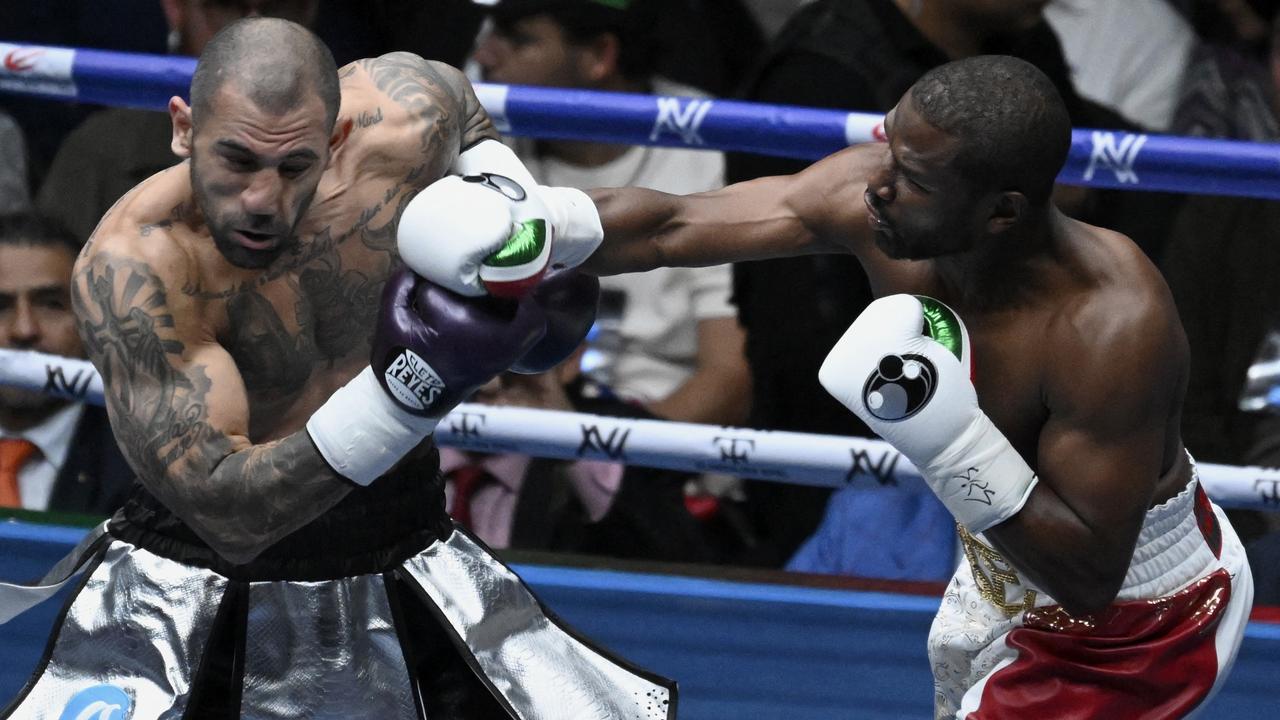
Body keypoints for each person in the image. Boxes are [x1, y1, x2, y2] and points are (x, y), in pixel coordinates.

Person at [408, 54, 1255, 716]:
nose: (877, 184)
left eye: (916, 181)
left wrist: (950, 435)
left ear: (1001, 212)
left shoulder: (1109, 322)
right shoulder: (882, 200)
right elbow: (675, 225)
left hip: (1132, 617)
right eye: (892, 146)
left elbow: (1089, 574)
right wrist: (538, 230)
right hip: (1005, 559)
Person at [0, 18, 674, 719]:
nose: (262, 196)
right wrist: (408, 394)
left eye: (293, 167)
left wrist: (505, 202)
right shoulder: (140, 262)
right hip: (197, 577)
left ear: (336, 141)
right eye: (236, 160)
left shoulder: (400, 124)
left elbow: (466, 112)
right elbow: (231, 517)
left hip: (403, 536)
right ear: (182, 130)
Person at [473, 0, 752, 427]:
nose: (484, 55)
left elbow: (729, 378)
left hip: (658, 442)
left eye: (520, 38)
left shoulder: (707, 142)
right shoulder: (482, 131)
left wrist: (604, 470)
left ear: (600, 56)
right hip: (512, 421)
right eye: (490, 31)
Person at [36, 0, 320, 241]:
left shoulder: (353, 142)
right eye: (226, 5)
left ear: (310, 10)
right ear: (175, 7)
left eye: (282, 5)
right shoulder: (101, 153)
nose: (258, 29)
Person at [445, 347, 722, 563]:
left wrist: (570, 442)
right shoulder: (408, 444)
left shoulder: (627, 442)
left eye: (513, 353)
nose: (490, 381)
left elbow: (681, 578)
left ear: (570, 359)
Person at [0, 213, 132, 517]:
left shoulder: (148, 468)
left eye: (51, 304)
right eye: (0, 306)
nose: (24, 330)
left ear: (95, 318)